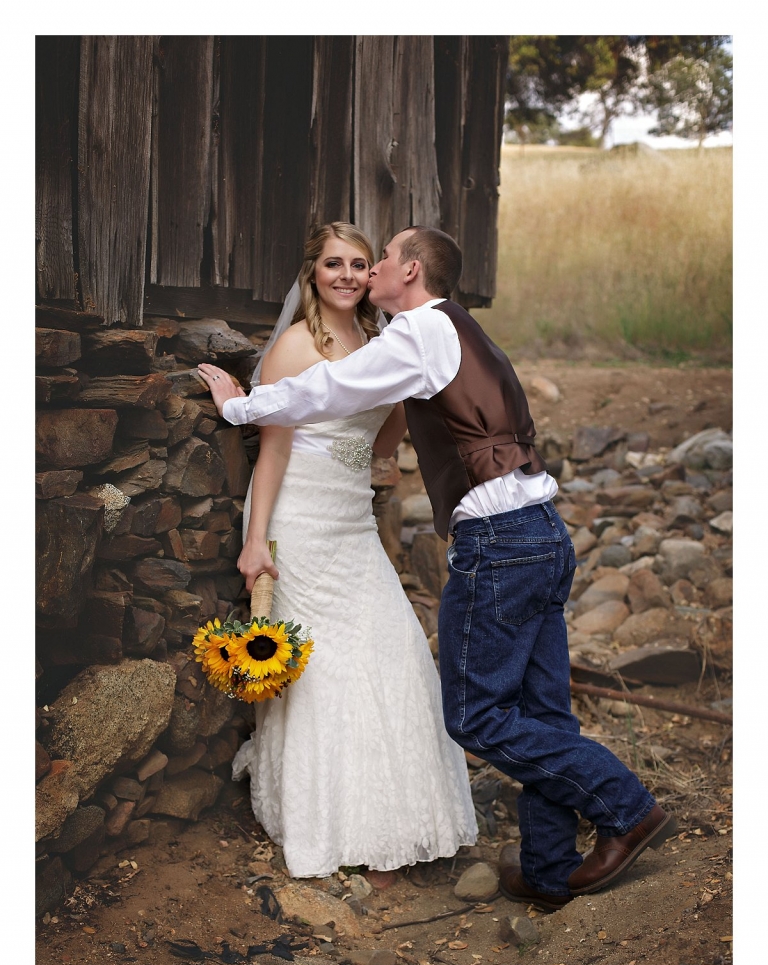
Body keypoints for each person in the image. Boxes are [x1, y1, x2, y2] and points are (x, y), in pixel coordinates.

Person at [201, 225, 677, 911]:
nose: (370, 273)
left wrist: (237, 406)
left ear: (410, 270)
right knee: (542, 711)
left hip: (499, 545)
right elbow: (372, 412)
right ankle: (546, 870)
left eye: (381, 259)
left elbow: (329, 390)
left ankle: (626, 807)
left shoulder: (415, 333)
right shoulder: (453, 329)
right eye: (344, 263)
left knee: (478, 719)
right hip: (542, 530)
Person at [199, 222, 477, 879]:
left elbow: (382, 443)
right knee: (323, 668)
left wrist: (368, 442)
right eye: (335, 264)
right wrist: (256, 543)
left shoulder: (381, 343)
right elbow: (273, 451)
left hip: (351, 520)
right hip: (298, 521)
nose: (350, 275)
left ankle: (401, 818)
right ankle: (322, 820)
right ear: (313, 274)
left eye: (360, 262)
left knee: (397, 649)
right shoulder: (298, 345)